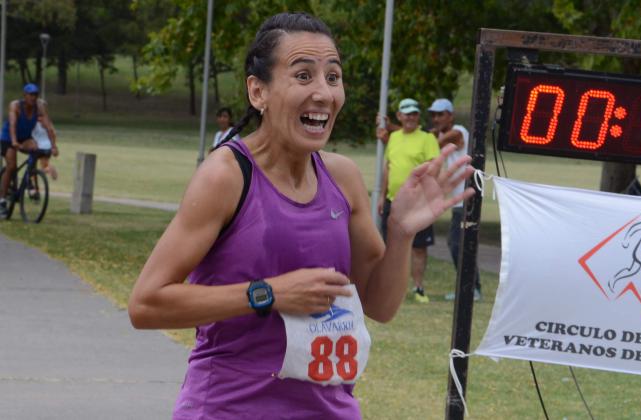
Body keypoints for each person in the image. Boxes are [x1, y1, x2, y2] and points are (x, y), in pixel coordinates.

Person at [128, 12, 474, 419]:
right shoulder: (226, 175)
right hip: (230, 409)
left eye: (333, 76)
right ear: (259, 92)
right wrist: (268, 294)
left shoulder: (342, 177)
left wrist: (400, 232)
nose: (324, 93)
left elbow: (380, 306)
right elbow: (146, 304)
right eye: (304, 76)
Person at [378, 98, 441, 303]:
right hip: (392, 201)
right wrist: (381, 196)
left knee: (419, 247)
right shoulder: (394, 137)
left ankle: (419, 289)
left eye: (414, 113)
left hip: (417, 202)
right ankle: (392, 289)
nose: (411, 117)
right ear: (400, 116)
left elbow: (434, 168)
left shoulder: (427, 138)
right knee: (390, 247)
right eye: (407, 113)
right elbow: (388, 167)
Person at [428, 98, 482, 301]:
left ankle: (471, 289)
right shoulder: (441, 133)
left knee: (458, 244)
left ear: (450, 115)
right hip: (459, 199)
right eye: (433, 115)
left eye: (440, 114)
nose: (436, 118)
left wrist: (417, 141)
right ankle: (470, 288)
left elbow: (439, 141)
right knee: (458, 244)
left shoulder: (459, 131)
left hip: (468, 198)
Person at [0, 83, 57, 215]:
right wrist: (14, 141)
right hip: (8, 138)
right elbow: (13, 124)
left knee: (35, 149)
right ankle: (2, 200)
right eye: (30, 94)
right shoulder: (15, 105)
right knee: (11, 166)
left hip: (25, 138)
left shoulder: (39, 106)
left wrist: (53, 146)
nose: (33, 97)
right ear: (24, 96)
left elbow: (48, 126)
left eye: (35, 95)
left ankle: (30, 182)